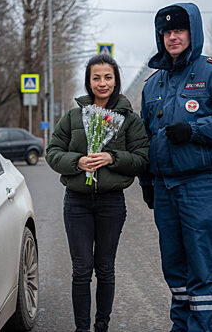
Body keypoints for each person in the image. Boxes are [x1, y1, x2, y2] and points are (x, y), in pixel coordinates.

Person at [139, 3, 212, 332]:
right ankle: (181, 326)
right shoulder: (152, 84)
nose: (173, 37)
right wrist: (147, 182)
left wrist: (195, 130)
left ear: (193, 32)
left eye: (179, 30)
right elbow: (145, 137)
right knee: (174, 266)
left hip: (200, 185)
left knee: (201, 265)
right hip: (165, 188)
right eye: (167, 32)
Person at [46, 54, 149, 332]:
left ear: (115, 80)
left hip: (111, 203)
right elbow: (53, 152)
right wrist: (76, 162)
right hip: (77, 202)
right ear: (88, 81)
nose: (102, 83)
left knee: (105, 269)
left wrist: (112, 158)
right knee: (81, 269)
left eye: (108, 77)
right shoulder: (73, 116)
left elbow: (142, 158)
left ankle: (101, 325)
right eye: (96, 77)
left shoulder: (129, 119)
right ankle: (82, 328)